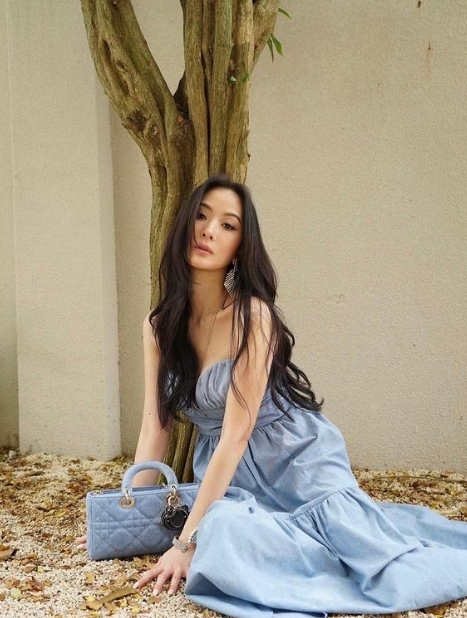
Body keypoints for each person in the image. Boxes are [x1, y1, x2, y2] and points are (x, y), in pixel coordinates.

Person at [79, 174, 467, 617]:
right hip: (231, 480)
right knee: (224, 527)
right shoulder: (157, 327)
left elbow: (236, 435)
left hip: (295, 461)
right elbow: (155, 427)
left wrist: (184, 544)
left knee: (369, 557)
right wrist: (126, 517)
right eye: (202, 216)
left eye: (228, 225)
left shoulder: (253, 316)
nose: (209, 230)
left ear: (240, 247)